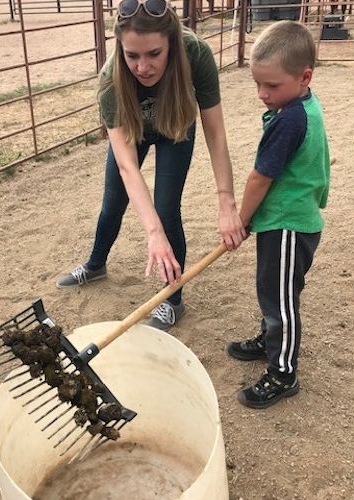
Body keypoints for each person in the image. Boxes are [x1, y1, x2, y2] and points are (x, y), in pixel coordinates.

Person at [56, 0, 245, 330]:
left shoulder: (195, 53)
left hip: (177, 126)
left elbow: (215, 132)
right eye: (132, 55)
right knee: (113, 203)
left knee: (166, 207)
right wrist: (152, 233)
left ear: (171, 42)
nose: (142, 67)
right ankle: (96, 264)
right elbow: (128, 167)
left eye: (154, 54)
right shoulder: (110, 82)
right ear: (120, 48)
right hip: (134, 129)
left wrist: (226, 201)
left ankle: (173, 301)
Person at [227, 21, 330, 409]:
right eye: (257, 84)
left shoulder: (289, 119)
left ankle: (283, 372)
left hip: (287, 224)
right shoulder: (301, 103)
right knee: (275, 291)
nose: (262, 94)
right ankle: (269, 340)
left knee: (280, 298)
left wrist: (240, 219)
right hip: (283, 221)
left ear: (305, 77)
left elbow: (260, 178)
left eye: (271, 86)